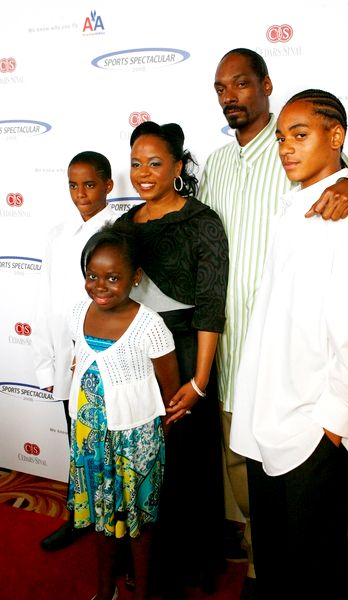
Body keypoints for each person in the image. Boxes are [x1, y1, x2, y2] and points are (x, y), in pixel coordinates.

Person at [198, 48, 348, 600]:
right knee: (279, 560)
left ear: (336, 137)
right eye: (283, 137)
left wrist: (334, 426)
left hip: (315, 427)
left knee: (315, 569)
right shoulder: (293, 207)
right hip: (267, 416)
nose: (286, 147)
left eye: (301, 135)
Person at [116, 121, 229, 599]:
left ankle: (189, 566)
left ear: (178, 166)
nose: (143, 173)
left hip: (186, 355)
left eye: (155, 163)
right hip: (137, 356)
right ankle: (144, 562)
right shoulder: (124, 227)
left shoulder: (201, 221)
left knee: (185, 465)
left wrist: (200, 381)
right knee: (144, 461)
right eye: (137, 164)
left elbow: (210, 303)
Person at [67, 221, 180, 600]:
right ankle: (105, 589)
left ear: (135, 278)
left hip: (135, 442)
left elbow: (170, 389)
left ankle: (143, 590)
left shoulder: (150, 325)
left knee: (138, 523)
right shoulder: (78, 312)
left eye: (112, 277)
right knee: (100, 520)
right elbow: (79, 364)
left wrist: (157, 433)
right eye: (92, 275)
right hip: (90, 438)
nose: (99, 286)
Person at [32, 151, 118, 552]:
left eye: (89, 184)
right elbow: (47, 299)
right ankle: (77, 516)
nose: (80, 193)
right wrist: (46, 356)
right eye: (73, 184)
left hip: (98, 356)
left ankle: (113, 527)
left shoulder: (118, 230)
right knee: (75, 443)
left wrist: (88, 350)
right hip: (63, 355)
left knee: (105, 444)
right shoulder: (57, 234)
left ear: (108, 186)